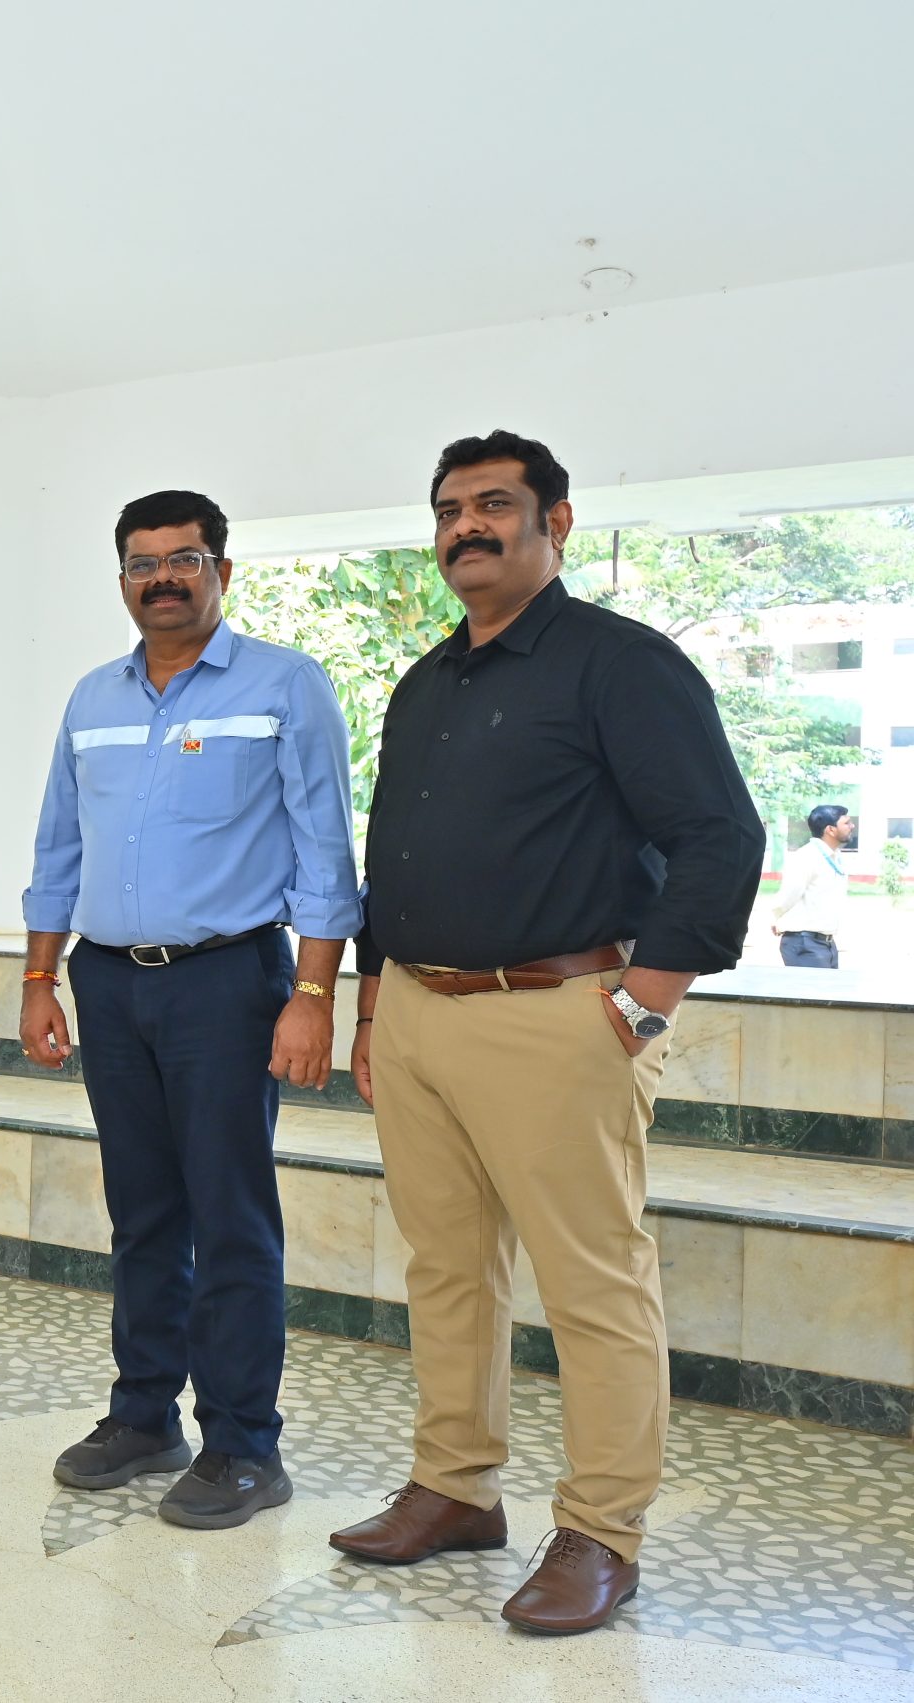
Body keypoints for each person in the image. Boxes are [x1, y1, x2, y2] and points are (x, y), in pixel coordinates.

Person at [335, 431, 761, 1634]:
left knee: (592, 1284)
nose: (466, 526)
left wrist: (643, 1000)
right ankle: (455, 1486)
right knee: (444, 1270)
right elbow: (395, 858)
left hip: (557, 1013)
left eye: (493, 505)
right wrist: (377, 1007)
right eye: (449, 509)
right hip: (418, 1010)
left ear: (555, 522)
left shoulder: (621, 665)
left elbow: (720, 836)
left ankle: (600, 1530)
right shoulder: (425, 681)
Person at [20, 489, 360, 1530]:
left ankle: (244, 1445)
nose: (161, 577)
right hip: (111, 982)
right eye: (140, 562)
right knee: (143, 1212)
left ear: (221, 569)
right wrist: (39, 978)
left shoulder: (283, 686)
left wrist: (311, 994)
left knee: (229, 1214)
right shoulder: (92, 698)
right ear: (121, 576)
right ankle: (143, 1414)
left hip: (229, 981)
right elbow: (57, 847)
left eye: (183, 559)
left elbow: (322, 851)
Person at [768, 803, 851, 967]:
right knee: (814, 992)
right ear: (830, 830)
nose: (852, 826)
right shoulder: (807, 856)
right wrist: (775, 917)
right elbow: (788, 895)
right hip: (805, 943)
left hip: (826, 943)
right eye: (846, 823)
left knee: (831, 992)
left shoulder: (835, 856)